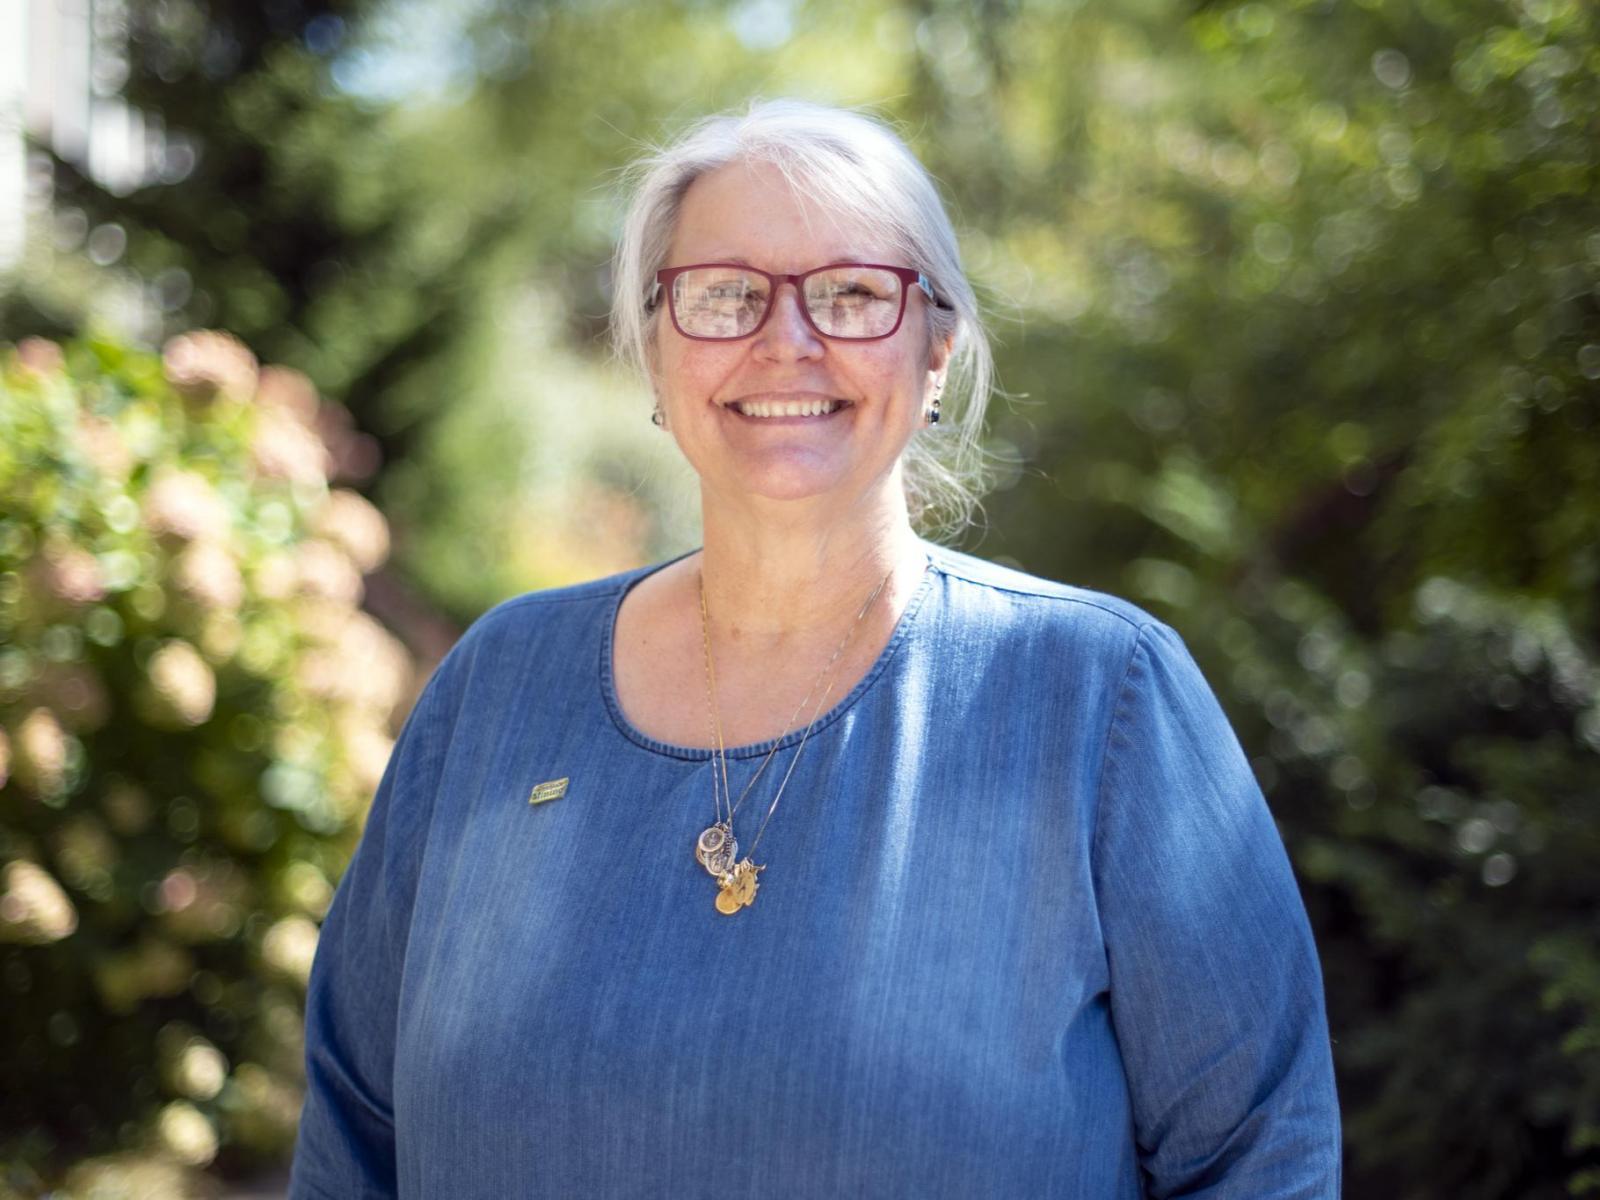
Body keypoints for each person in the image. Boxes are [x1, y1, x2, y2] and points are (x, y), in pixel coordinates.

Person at [288, 98, 1341, 1198]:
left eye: (850, 294)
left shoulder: (1099, 699)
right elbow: (354, 1140)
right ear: (655, 349)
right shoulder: (499, 690)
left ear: (936, 348)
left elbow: (1258, 1158)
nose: (784, 341)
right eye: (725, 295)